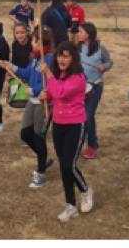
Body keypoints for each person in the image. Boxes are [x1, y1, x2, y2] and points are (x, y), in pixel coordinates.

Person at [39, 41, 93, 222]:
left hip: (75, 126)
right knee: (64, 166)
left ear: (73, 58)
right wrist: (43, 96)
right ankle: (71, 206)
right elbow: (53, 94)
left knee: (69, 165)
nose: (61, 59)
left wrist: (48, 74)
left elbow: (61, 93)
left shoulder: (78, 78)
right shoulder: (58, 75)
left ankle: (85, 190)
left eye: (66, 56)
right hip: (59, 125)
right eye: (59, 55)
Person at [0, 25, 56, 188]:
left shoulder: (50, 60)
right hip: (32, 101)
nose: (31, 43)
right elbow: (26, 73)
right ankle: (44, 159)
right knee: (25, 133)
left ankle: (41, 173)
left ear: (40, 42)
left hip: (44, 103)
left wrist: (35, 90)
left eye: (33, 40)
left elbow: (50, 83)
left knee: (39, 137)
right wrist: (11, 67)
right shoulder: (36, 59)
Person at [78, 23, 113, 159]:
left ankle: (92, 145)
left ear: (88, 34)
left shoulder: (100, 48)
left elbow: (109, 62)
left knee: (88, 114)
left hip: (95, 85)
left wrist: (103, 67)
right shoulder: (78, 47)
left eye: (81, 32)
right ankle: (83, 141)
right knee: (80, 115)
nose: (78, 34)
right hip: (80, 86)